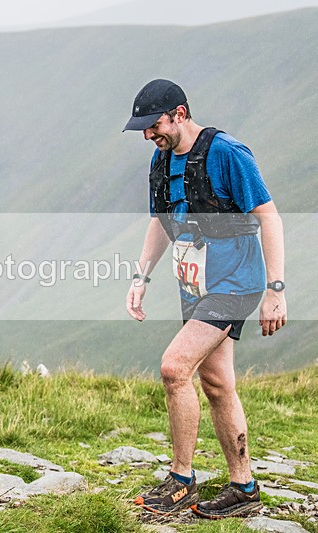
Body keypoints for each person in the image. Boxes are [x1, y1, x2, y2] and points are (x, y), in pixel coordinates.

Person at [123, 79, 286, 518]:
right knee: (216, 383)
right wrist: (141, 276)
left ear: (179, 113)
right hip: (193, 282)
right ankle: (243, 489)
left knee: (175, 367)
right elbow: (161, 221)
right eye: (142, 128)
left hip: (236, 280)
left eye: (153, 125)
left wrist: (275, 290)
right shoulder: (161, 161)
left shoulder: (227, 153)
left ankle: (181, 481)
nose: (147, 136)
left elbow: (268, 217)